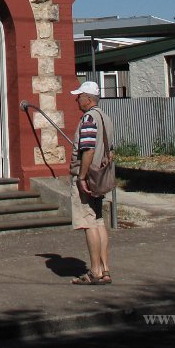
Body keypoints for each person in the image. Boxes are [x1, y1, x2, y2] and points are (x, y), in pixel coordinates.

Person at [69, 80, 112, 285]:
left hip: (89, 177)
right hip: (102, 177)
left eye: (79, 96)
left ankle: (94, 271)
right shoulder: (105, 117)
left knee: (89, 223)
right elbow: (110, 151)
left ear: (88, 98)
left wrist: (82, 176)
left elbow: (88, 150)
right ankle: (105, 269)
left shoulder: (88, 119)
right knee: (99, 221)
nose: (77, 99)